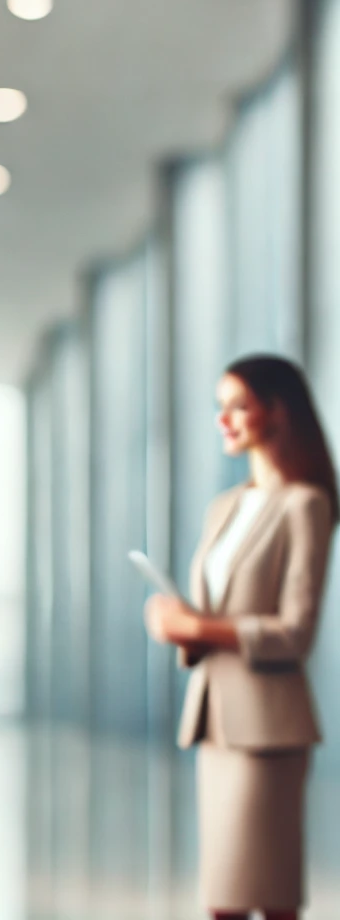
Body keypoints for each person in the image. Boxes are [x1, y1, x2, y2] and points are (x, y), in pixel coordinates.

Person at [144, 354, 338, 920]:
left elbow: (294, 632)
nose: (222, 420)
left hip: (268, 730)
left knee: (268, 894)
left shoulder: (306, 505)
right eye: (218, 408)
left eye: (236, 406)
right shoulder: (224, 507)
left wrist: (199, 627)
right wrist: (184, 630)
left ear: (277, 412)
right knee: (222, 897)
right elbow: (219, 614)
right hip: (216, 724)